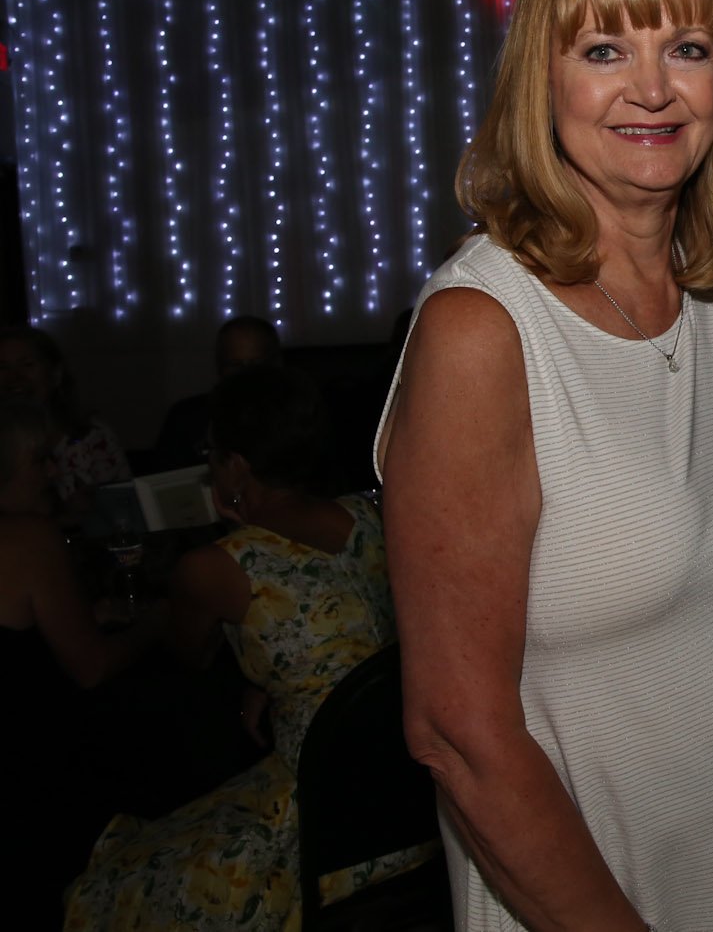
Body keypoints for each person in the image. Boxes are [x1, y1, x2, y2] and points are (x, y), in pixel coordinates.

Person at [375, 0, 713, 931]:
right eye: (602, 51)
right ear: (540, 84)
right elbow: (455, 731)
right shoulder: (482, 329)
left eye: (687, 49)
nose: (652, 88)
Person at [63, 364, 411, 930]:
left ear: (238, 466)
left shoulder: (217, 566)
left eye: (213, 454)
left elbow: (191, 656)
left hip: (320, 823)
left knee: (114, 879)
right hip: (402, 797)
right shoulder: (370, 515)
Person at [0, 396, 163, 927]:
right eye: (40, 460)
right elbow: (91, 666)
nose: (54, 472)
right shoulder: (28, 536)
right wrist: (159, 621)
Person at [0, 324, 130, 515]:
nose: (14, 378)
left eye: (27, 365)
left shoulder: (91, 436)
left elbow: (124, 511)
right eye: (3, 367)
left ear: (55, 374)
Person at [150, 314, 283, 472]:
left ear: (275, 364)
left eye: (255, 364)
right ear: (220, 366)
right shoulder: (185, 418)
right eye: (235, 365)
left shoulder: (296, 415)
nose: (245, 373)